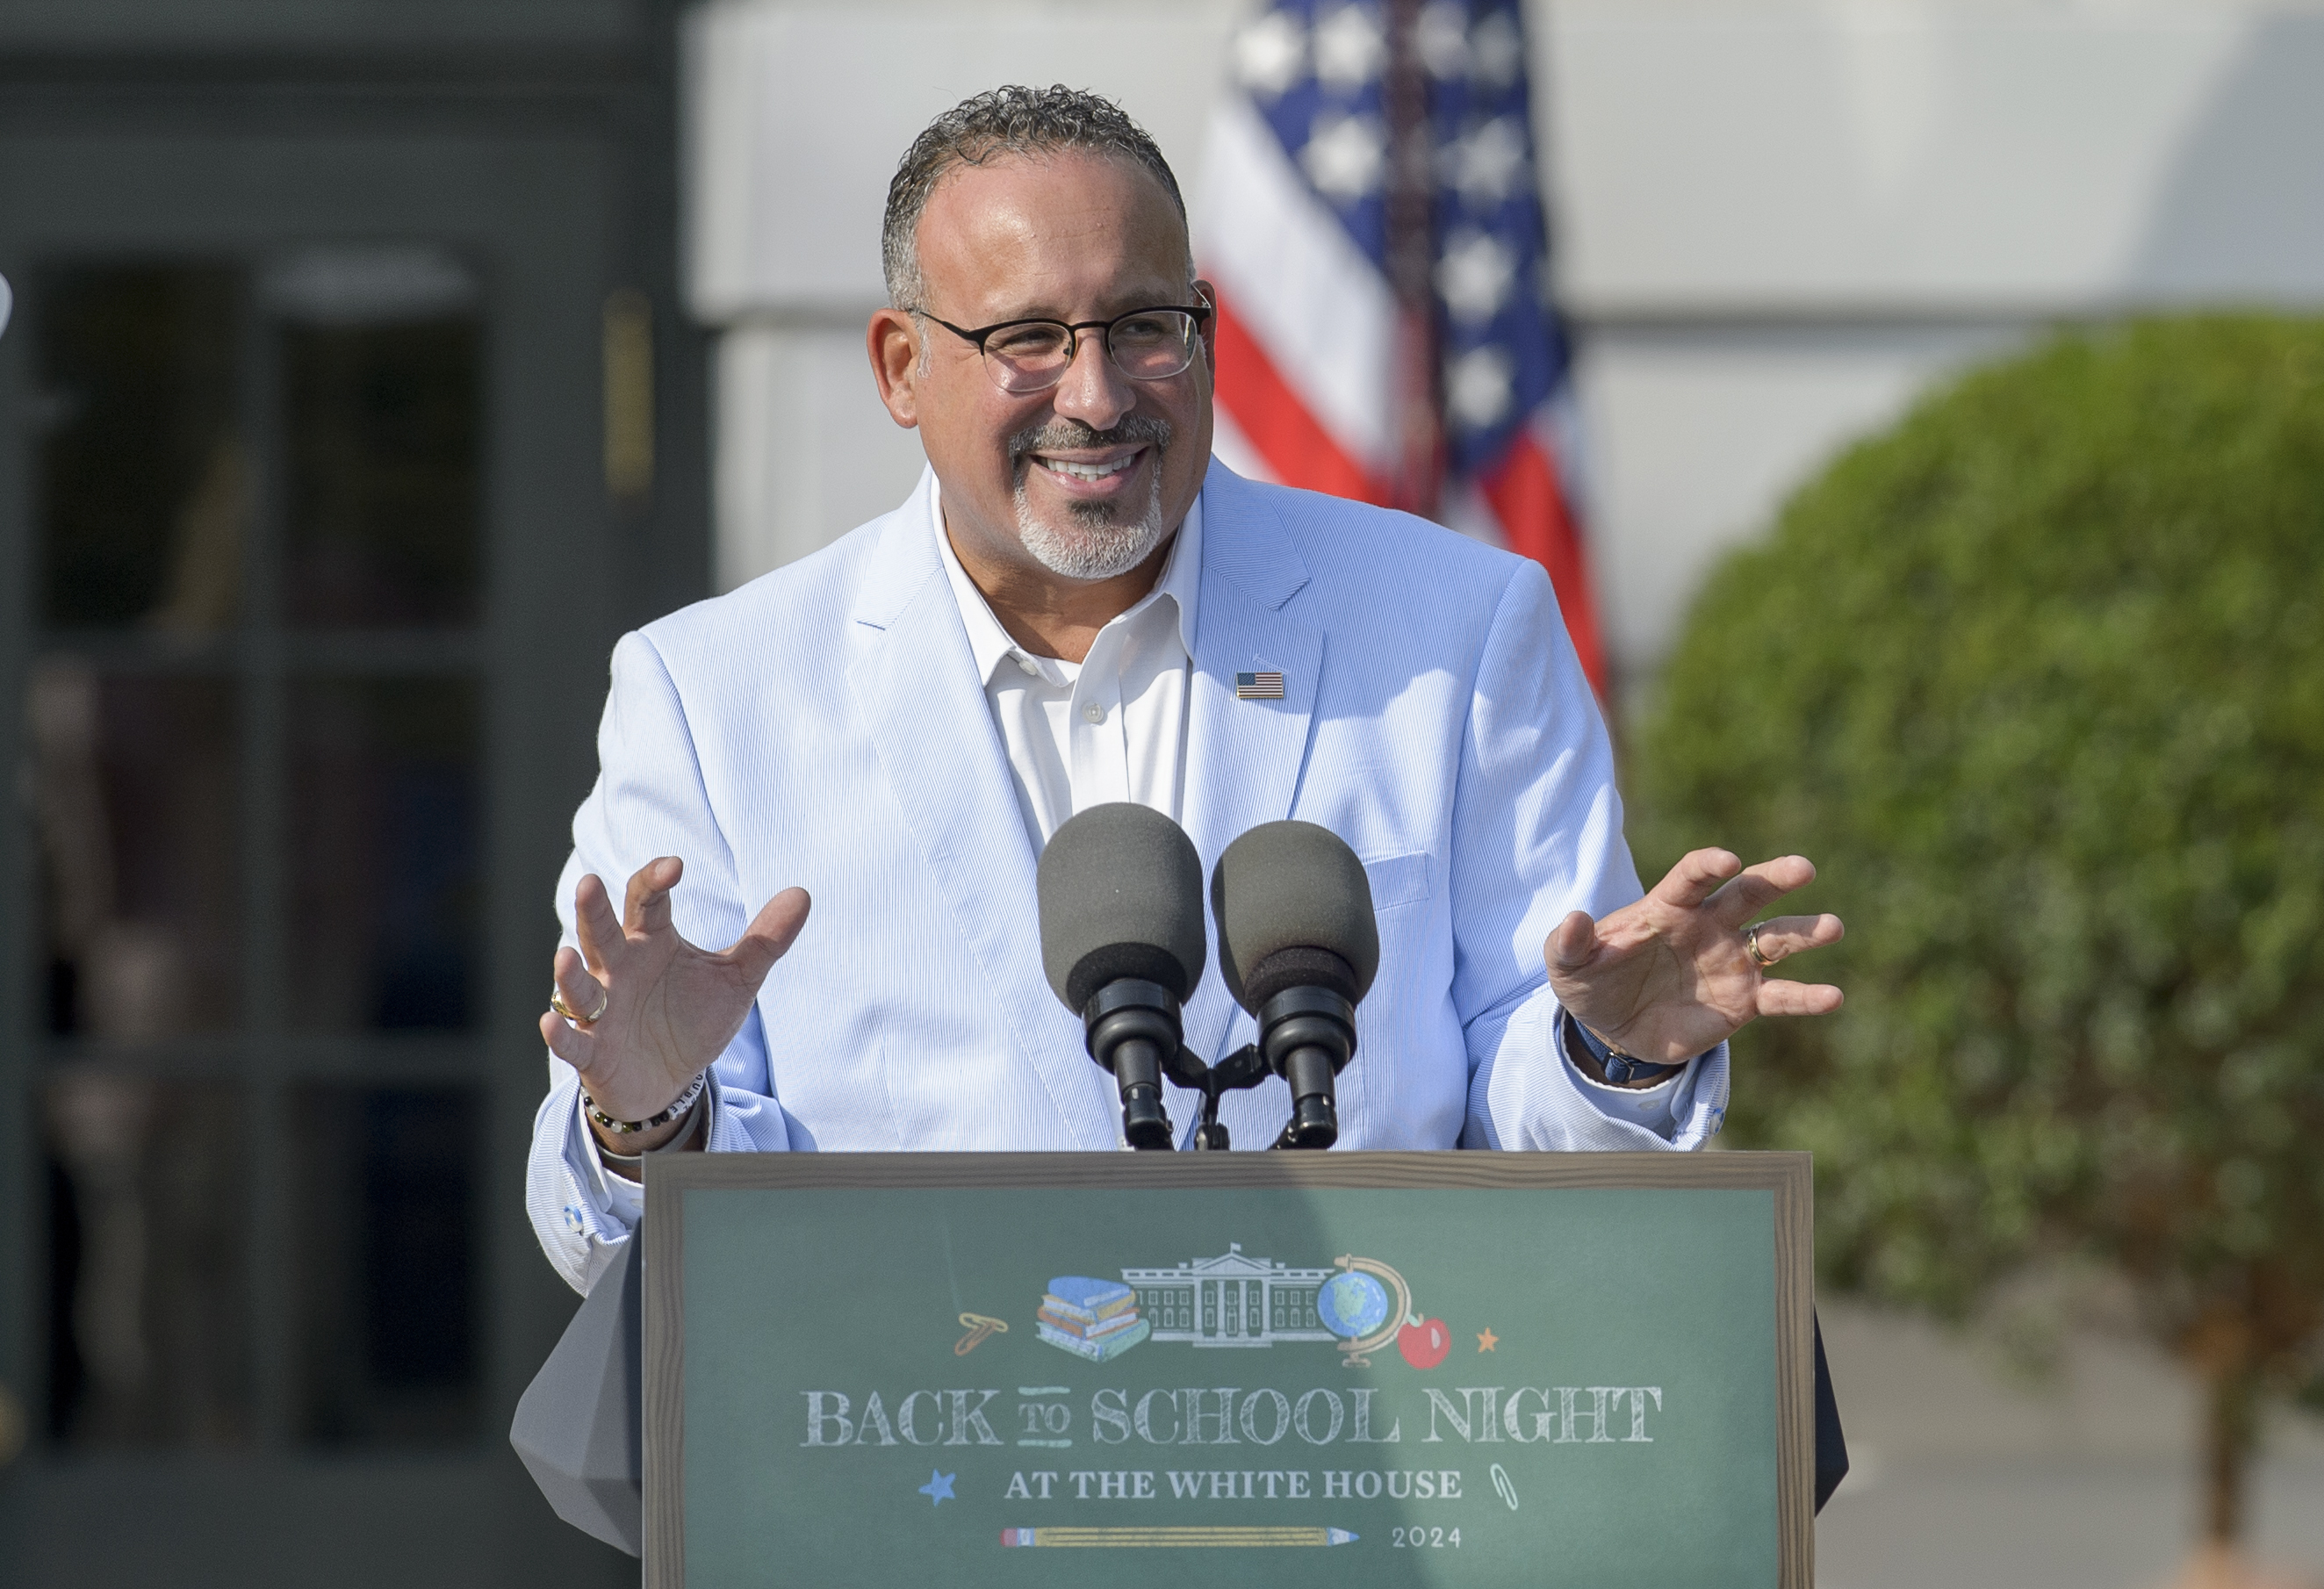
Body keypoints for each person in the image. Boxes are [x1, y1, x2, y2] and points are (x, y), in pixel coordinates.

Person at [525, 86, 1842, 1297]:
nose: (1095, 396)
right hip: (916, 1488)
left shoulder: (1454, 628)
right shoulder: (709, 693)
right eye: (1028, 339)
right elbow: (625, 1247)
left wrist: (1612, 1057)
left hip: (1362, 1472)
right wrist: (647, 1116)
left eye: (1144, 327)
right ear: (900, 367)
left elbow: (1535, 1131)